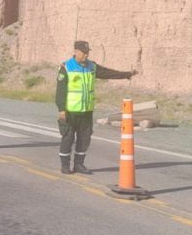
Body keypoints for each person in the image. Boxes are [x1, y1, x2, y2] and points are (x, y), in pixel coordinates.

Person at [56, 40, 138, 174]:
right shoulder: (66, 67)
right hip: (70, 112)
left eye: (87, 53)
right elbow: (60, 90)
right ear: (76, 52)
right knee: (68, 138)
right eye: (84, 53)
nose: (86, 56)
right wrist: (61, 109)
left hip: (86, 111)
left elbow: (108, 73)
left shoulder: (91, 67)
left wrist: (126, 74)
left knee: (84, 138)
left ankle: (79, 165)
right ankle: (65, 166)